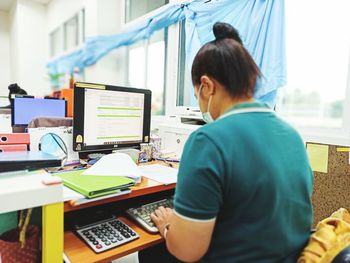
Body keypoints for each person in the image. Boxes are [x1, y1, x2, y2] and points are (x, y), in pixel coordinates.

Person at [140, 22, 313, 262]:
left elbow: (187, 251)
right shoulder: (292, 135)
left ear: (207, 86)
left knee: (152, 251)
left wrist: (169, 226)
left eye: (196, 94)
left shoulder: (208, 141)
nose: (199, 104)